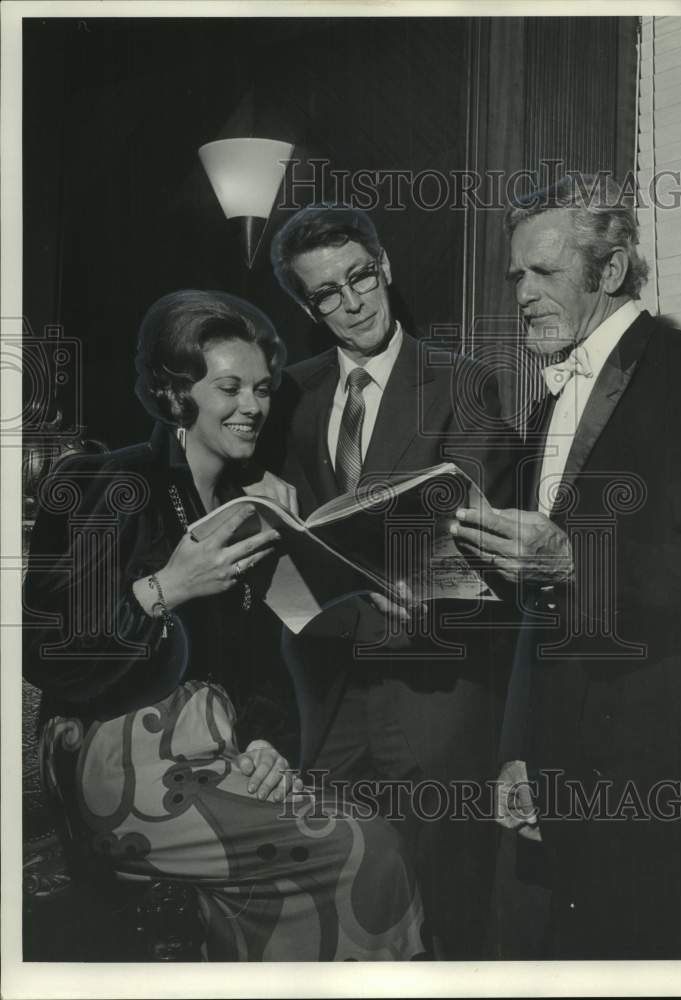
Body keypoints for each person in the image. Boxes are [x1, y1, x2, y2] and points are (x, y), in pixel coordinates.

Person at [23, 289, 426, 961]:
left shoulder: (253, 511)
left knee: (323, 874)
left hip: (214, 747)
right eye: (230, 387)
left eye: (262, 389)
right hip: (114, 752)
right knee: (368, 846)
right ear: (174, 392)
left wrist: (268, 742)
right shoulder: (107, 481)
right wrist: (163, 588)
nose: (252, 406)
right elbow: (46, 652)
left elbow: (260, 666)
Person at [451, 175, 681, 959]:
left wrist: (567, 556)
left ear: (613, 269)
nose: (520, 293)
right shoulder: (547, 407)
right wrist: (518, 747)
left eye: (544, 273)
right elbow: (535, 608)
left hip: (665, 769)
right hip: (562, 764)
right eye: (515, 274)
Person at [265, 204, 522, 957]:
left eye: (360, 278)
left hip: (432, 694)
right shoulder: (286, 396)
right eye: (326, 295)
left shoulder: (462, 384)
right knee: (335, 905)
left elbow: (466, 526)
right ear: (305, 305)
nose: (351, 304)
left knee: (442, 906)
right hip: (328, 694)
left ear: (386, 269)